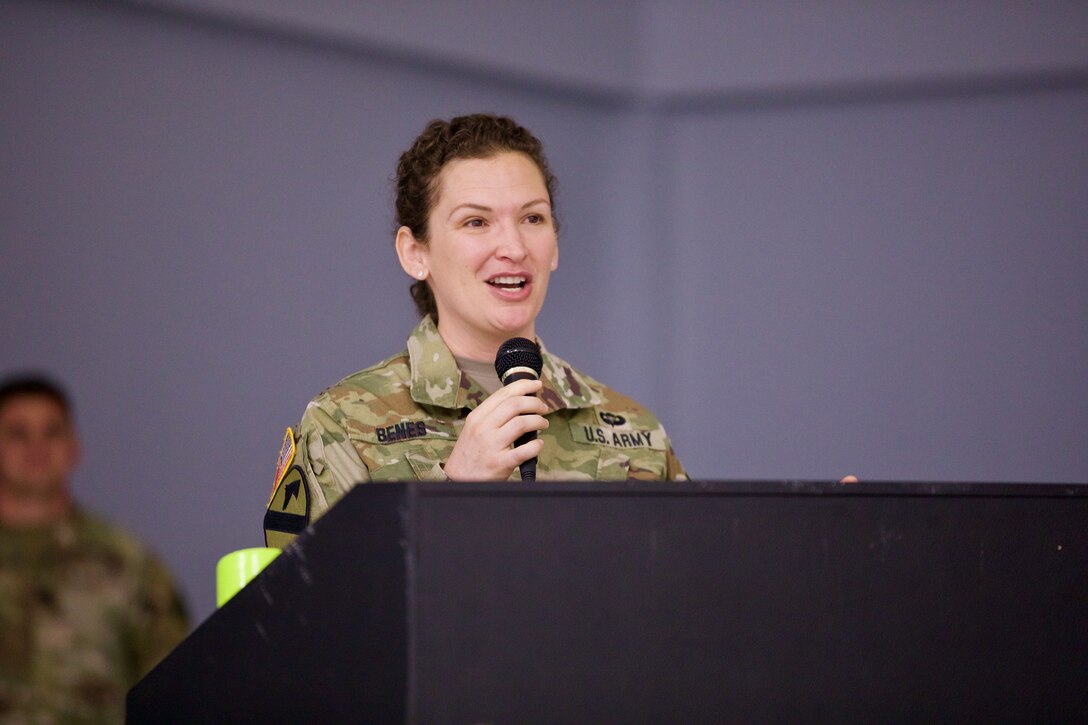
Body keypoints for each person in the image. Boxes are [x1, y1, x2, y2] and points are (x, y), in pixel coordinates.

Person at [265, 113, 687, 548]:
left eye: (533, 219)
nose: (514, 248)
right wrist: (451, 490)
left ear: (555, 244)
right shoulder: (344, 423)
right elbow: (307, 607)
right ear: (415, 252)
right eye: (476, 222)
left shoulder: (632, 430)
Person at [0, 375, 189, 723]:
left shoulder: (130, 563)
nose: (36, 446)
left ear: (74, 447)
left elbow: (175, 687)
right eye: (18, 433)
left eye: (51, 432)